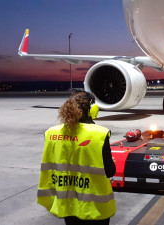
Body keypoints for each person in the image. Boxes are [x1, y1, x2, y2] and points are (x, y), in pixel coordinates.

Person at [37, 91, 116, 225]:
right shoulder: (100, 134)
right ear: (92, 109)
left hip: (68, 204)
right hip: (95, 208)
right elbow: (109, 171)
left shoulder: (52, 133)